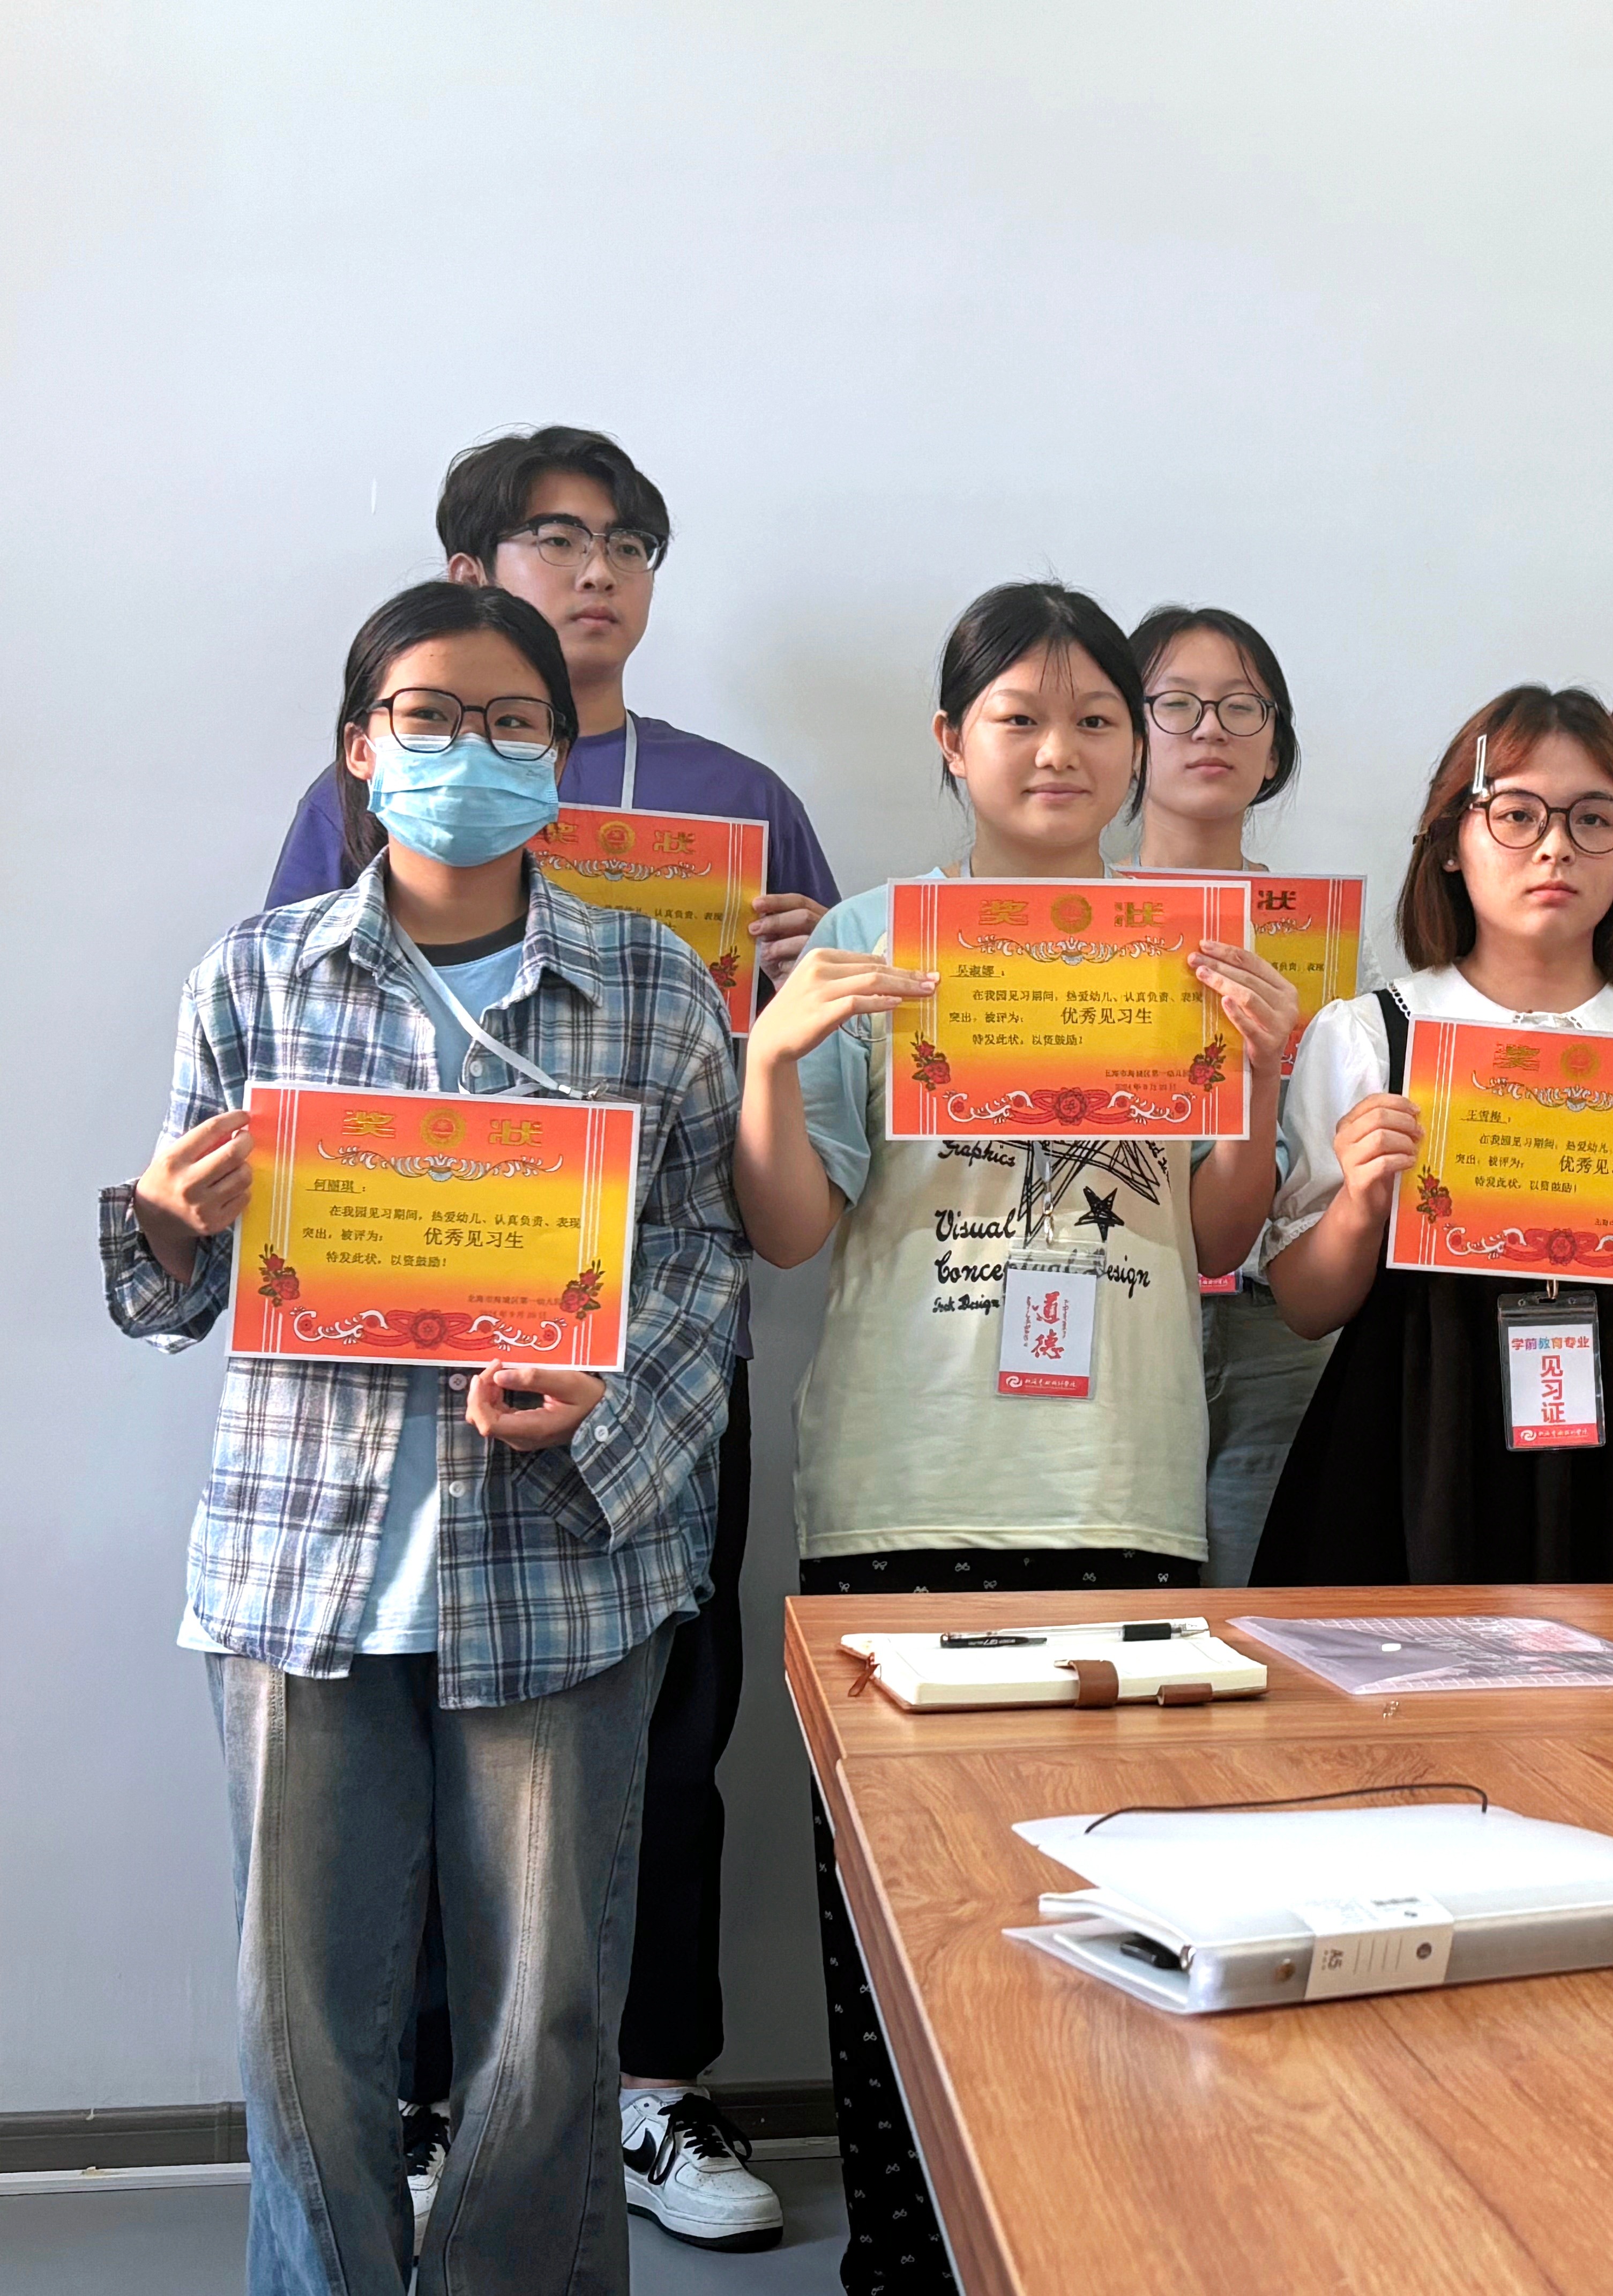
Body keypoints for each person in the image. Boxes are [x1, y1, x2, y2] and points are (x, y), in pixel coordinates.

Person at [103, 581, 741, 2295]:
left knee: (548, 2022)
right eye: (430, 716)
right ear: (361, 748)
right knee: (302, 2023)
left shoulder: (651, 981)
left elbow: (702, 1261)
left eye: (512, 721)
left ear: (560, 755)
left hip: (561, 1561)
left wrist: (611, 1412)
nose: (471, 748)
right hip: (301, 1562)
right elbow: (176, 1288)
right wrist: (161, 1223)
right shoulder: (255, 974)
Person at [262, 427, 833, 2247]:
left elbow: (762, 1138)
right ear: (471, 571)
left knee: (660, 1719)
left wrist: (793, 975)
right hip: (396, 1366)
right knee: (407, 1739)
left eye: (630, 542)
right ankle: (442, 2107)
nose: (597, 570)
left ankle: (645, 2090)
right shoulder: (358, 799)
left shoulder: (741, 793)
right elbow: (296, 1079)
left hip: (641, 1359)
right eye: (557, 537)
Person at [736, 581, 1296, 2296]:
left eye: (1097, 719)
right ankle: (905, 2264)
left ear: (1136, 747)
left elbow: (1221, 1237)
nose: (1060, 750)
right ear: (950, 741)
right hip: (905, 1489)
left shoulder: (1192, 949)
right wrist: (771, 1060)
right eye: (1018, 718)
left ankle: (1081, 2250)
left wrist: (1263, 1080)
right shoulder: (876, 934)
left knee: (1114, 1920)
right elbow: (793, 1231)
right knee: (899, 1924)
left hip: (1125, 1488)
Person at [1249, 685, 1613, 1585]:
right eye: (1516, 815)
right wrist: (1360, 1205)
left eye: (1594, 820)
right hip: (1420, 1441)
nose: (1555, 847)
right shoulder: (1370, 1036)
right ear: (1451, 842)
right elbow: (1307, 1310)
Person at [1124, 603, 1337, 1589]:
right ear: (1126, 734)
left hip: (1277, 1319)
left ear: (1275, 746)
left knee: (1265, 1605)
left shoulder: (1330, 940)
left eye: (1242, 708)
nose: (1210, 730)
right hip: (1120, 1299)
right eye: (1176, 704)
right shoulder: (1064, 923)